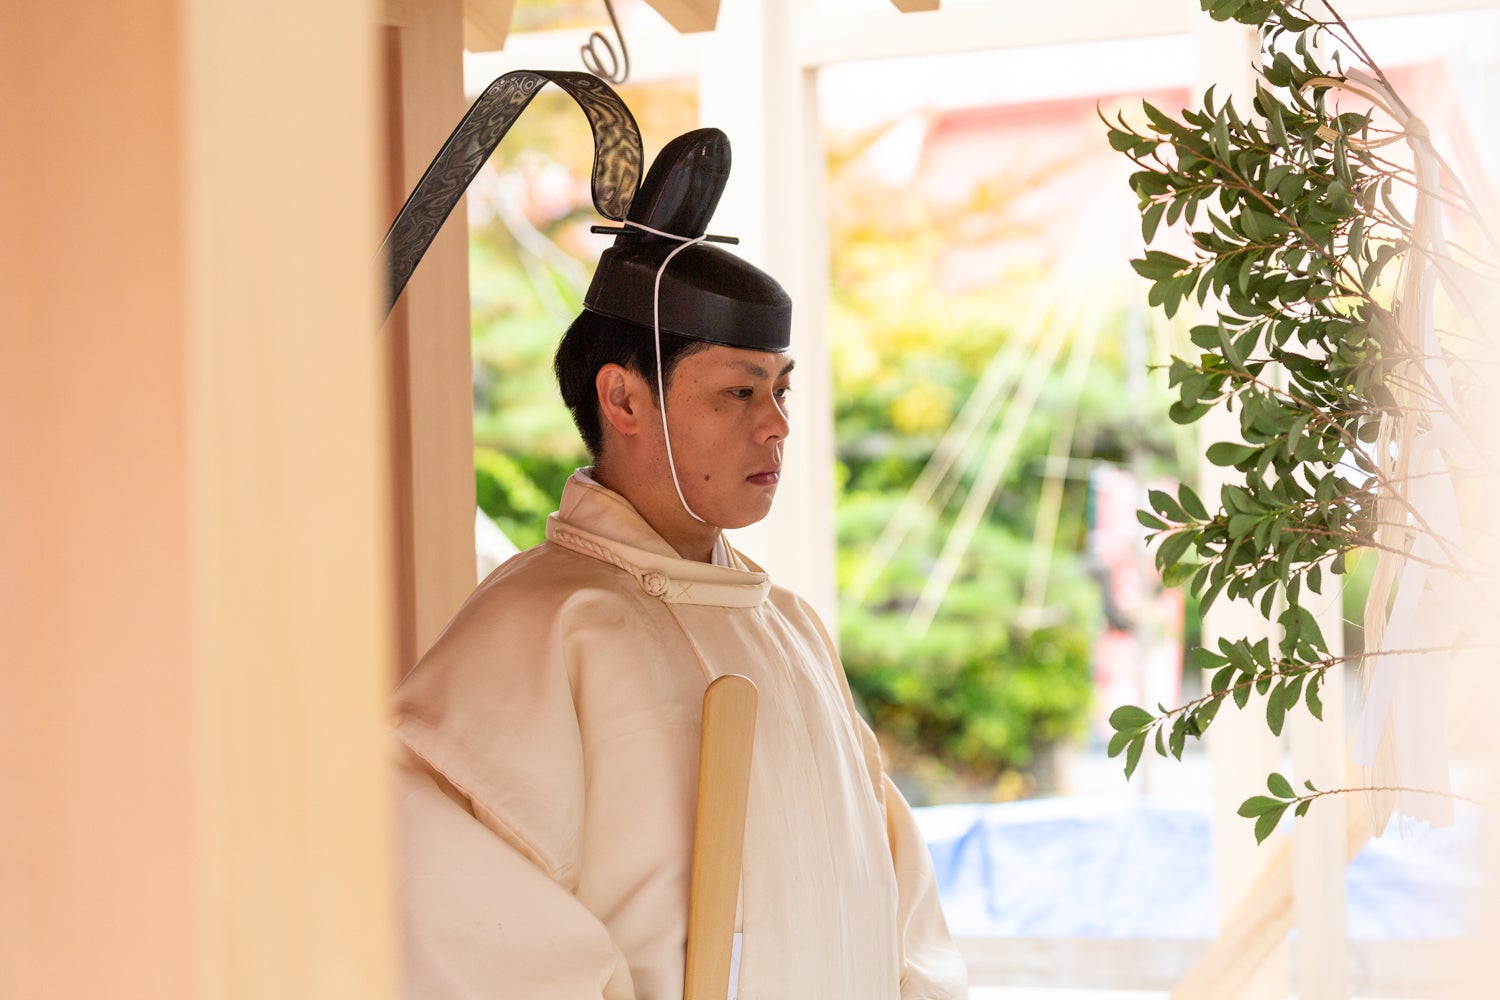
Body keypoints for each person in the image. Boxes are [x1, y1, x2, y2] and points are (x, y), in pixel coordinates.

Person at [393, 128, 969, 1000]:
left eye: (781, 388)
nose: (776, 425)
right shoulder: (543, 622)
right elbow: (445, 902)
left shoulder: (790, 629)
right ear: (623, 397)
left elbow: (896, 900)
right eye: (739, 391)